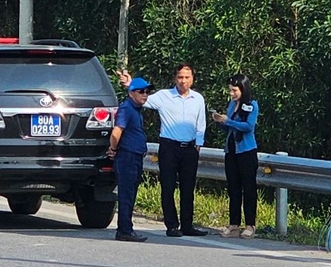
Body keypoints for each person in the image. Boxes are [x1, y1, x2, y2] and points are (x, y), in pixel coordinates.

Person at [119, 63, 209, 236]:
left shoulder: (198, 98)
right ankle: (172, 225)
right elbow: (141, 98)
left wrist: (199, 143)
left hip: (189, 148)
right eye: (180, 77)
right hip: (169, 146)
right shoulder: (164, 96)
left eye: (187, 77)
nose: (183, 81)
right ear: (175, 79)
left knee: (188, 188)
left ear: (192, 79)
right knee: (168, 187)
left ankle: (187, 225)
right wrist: (129, 83)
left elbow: (201, 122)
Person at [212, 74, 261, 238]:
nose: (231, 94)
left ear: (243, 89)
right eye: (230, 91)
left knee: (248, 188)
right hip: (231, 151)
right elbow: (228, 128)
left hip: (246, 151)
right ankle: (234, 224)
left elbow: (248, 126)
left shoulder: (251, 105)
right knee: (233, 188)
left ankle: (250, 225)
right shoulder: (231, 104)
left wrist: (228, 121)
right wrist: (220, 121)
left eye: (234, 90)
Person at [105, 77, 153, 242]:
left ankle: (126, 228)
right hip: (127, 156)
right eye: (141, 91)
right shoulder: (126, 108)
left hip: (135, 156)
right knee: (126, 193)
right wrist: (113, 148)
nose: (145, 95)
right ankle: (124, 230)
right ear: (131, 93)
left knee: (130, 193)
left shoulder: (136, 109)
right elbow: (117, 132)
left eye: (147, 92)